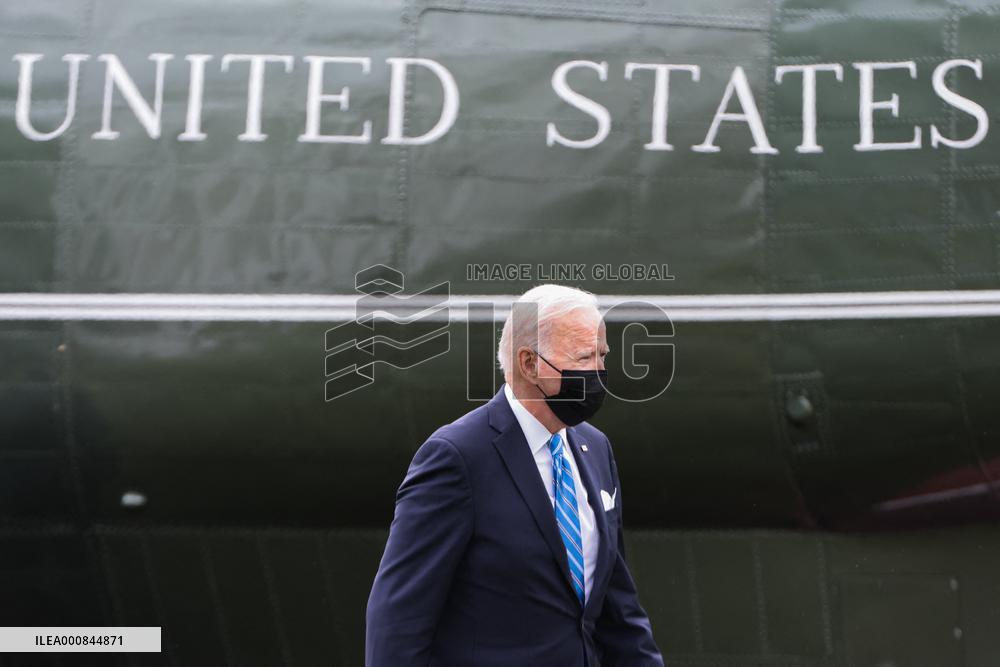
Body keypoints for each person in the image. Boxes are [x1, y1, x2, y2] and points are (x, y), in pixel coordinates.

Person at [365, 284, 664, 666]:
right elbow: (399, 617)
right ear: (528, 363)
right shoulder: (458, 457)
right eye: (584, 357)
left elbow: (618, 610)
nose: (599, 372)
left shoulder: (596, 449)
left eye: (602, 355)